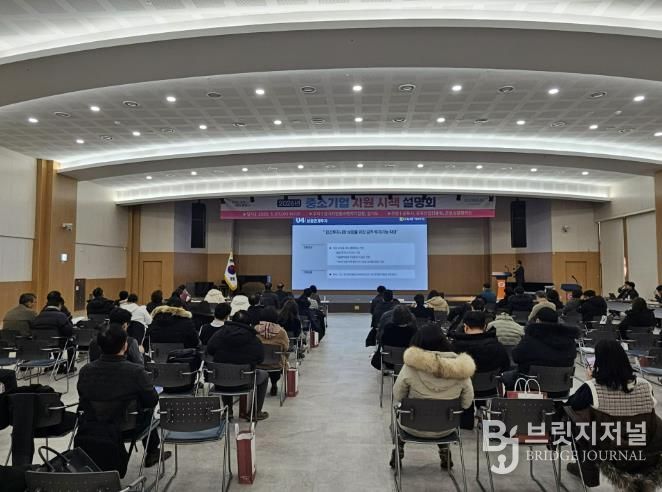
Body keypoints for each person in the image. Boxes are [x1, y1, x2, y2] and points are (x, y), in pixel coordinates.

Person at [566, 340, 662, 488]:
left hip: (609, 449)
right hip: (645, 446)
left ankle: (585, 469)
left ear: (599, 362)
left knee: (576, 421)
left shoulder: (592, 388)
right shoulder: (645, 385)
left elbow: (571, 405)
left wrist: (590, 381)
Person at [77, 325, 171, 468]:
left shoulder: (86, 370)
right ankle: (152, 451)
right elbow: (152, 401)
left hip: (94, 426)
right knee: (148, 409)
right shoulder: (136, 371)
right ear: (125, 345)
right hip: (129, 427)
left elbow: (83, 395)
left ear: (100, 346)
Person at [391, 324, 475, 470]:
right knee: (443, 416)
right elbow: (467, 403)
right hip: (447, 427)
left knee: (400, 417)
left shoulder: (411, 367)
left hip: (412, 426)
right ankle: (444, 449)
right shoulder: (461, 369)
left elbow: (398, 395)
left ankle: (399, 448)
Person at [206, 311, 269, 421]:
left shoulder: (220, 334)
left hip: (220, 381)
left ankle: (228, 411)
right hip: (245, 382)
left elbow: (210, 350)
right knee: (264, 375)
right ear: (249, 324)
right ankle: (255, 412)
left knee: (225, 371)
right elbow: (260, 359)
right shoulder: (254, 339)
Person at [452, 311, 511, 429]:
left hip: (463, 390)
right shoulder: (496, 346)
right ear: (484, 326)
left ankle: (466, 422)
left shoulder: (456, 346)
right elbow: (506, 366)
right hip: (489, 388)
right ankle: (482, 412)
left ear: (465, 326)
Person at [505, 308, 579, 394]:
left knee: (507, 377)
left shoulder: (530, 339)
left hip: (529, 388)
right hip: (561, 390)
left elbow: (516, 357)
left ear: (537, 320)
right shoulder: (569, 341)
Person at [31, 294, 75, 372]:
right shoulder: (61, 315)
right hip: (56, 343)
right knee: (71, 343)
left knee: (54, 340)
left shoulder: (39, 316)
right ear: (60, 305)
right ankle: (70, 367)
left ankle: (55, 364)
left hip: (41, 344)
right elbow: (69, 332)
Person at [255, 307, 290, 396]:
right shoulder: (282, 332)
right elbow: (286, 348)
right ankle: (274, 383)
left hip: (258, 363)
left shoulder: (255, 329)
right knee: (278, 360)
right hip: (276, 363)